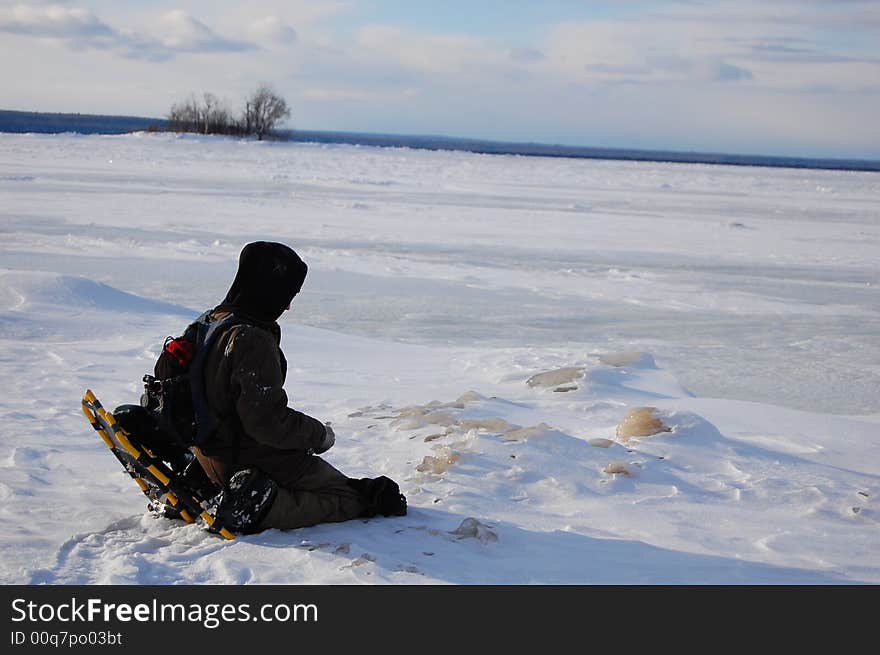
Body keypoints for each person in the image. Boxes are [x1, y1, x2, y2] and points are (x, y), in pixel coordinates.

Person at [189, 241, 406, 534]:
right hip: (246, 457)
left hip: (207, 454)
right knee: (349, 495)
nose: (288, 306)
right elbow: (266, 423)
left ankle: (238, 492)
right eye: (286, 295)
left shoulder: (210, 322)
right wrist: (318, 435)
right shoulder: (251, 339)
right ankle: (257, 507)